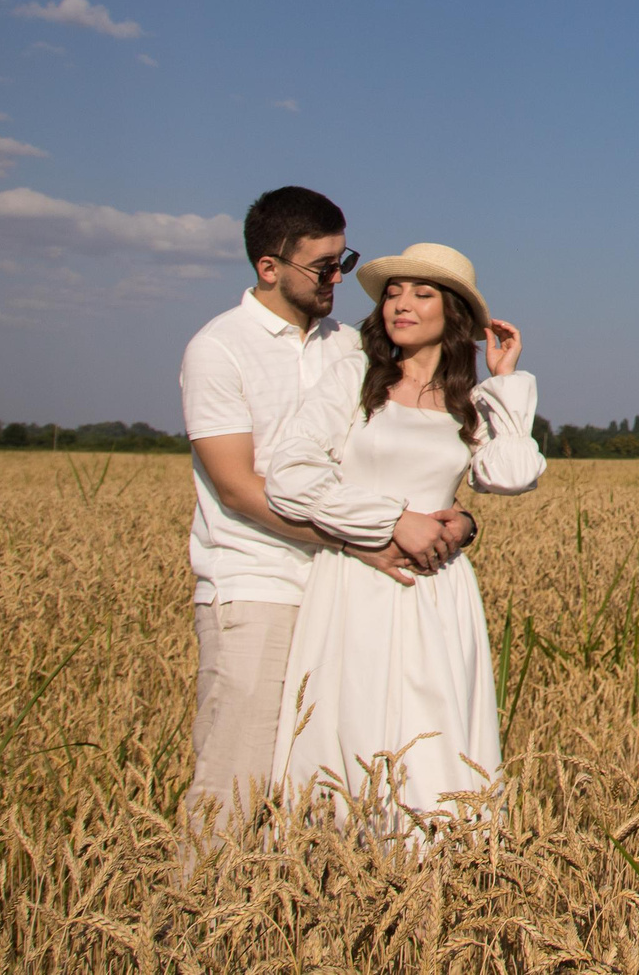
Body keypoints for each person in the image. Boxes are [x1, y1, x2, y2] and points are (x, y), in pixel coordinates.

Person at [179, 188, 475, 835]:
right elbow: (236, 486)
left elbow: (398, 454)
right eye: (323, 266)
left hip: (336, 597)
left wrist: (460, 521)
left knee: (322, 788)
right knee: (238, 783)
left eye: (346, 260)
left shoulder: (348, 347)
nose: (339, 278)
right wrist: (362, 539)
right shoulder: (219, 349)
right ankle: (202, 923)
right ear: (268, 267)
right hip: (256, 588)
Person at [263, 241, 545, 828]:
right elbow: (291, 474)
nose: (402, 304)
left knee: (435, 733)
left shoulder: (468, 402)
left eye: (423, 293)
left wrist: (506, 379)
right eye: (394, 292)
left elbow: (513, 475)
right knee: (353, 726)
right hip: (358, 579)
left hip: (437, 592)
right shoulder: (356, 376)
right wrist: (393, 520)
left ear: (455, 314)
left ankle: (438, 886)